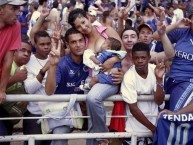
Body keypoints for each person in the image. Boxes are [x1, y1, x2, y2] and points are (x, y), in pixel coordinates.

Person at [68, 8, 124, 145]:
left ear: (88, 17)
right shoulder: (83, 39)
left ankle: (102, 136)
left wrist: (113, 60)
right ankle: (94, 141)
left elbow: (122, 50)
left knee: (93, 98)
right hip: (92, 79)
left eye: (83, 22)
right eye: (78, 27)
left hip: (110, 78)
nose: (83, 27)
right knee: (92, 119)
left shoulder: (107, 31)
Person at [45, 27, 89, 145]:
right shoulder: (62, 63)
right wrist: (53, 66)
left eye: (80, 41)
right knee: (58, 138)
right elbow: (49, 91)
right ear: (67, 44)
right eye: (73, 42)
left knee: (99, 135)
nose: (78, 45)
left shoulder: (92, 60)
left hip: (86, 111)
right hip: (64, 112)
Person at [121, 42, 165, 145]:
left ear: (149, 57)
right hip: (134, 130)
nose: (139, 61)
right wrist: (153, 129)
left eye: (143, 57)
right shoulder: (129, 77)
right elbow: (133, 109)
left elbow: (159, 101)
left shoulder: (156, 70)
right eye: (136, 58)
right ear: (132, 58)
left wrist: (159, 80)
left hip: (154, 126)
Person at [0, 0, 26, 141]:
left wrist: (2, 89)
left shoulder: (15, 25)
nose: (18, 12)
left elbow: (8, 60)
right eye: (13, 8)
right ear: (0, 10)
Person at [23, 31, 51, 145]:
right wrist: (44, 70)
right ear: (35, 44)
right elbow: (29, 89)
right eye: (42, 44)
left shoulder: (55, 59)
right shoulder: (28, 61)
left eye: (48, 44)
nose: (46, 47)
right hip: (34, 114)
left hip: (53, 113)